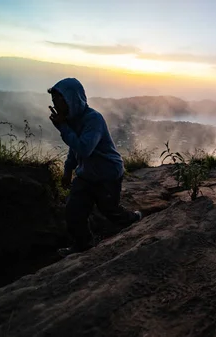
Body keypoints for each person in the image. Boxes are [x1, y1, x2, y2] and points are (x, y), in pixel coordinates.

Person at [48, 77, 142, 257]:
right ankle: (83, 245)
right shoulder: (71, 120)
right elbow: (74, 150)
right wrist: (68, 171)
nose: (56, 105)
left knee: (110, 211)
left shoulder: (93, 119)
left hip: (107, 174)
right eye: (53, 102)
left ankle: (135, 219)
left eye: (59, 100)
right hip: (86, 175)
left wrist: (62, 128)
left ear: (72, 99)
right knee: (73, 211)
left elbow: (84, 149)